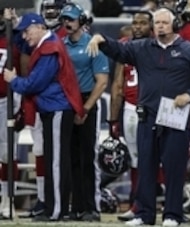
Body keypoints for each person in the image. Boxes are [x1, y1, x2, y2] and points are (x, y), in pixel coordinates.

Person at [86, 7, 190, 226]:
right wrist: (100, 39)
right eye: (157, 22)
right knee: (145, 166)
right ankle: (145, 214)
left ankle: (172, 214)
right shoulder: (142, 47)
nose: (160, 26)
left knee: (174, 167)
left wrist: (189, 95)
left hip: (176, 115)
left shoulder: (189, 50)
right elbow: (118, 50)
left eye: (164, 22)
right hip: (148, 115)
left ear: (174, 25)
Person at [3, 12, 84, 221]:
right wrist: (14, 23)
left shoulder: (49, 49)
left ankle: (56, 210)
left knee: (56, 162)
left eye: (27, 32)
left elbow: (34, 84)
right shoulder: (45, 43)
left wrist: (13, 80)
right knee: (52, 160)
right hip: (52, 108)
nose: (25, 37)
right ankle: (53, 207)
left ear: (39, 27)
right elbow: (23, 46)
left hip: (57, 108)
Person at [60, 2, 109, 222]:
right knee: (70, 157)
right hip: (67, 101)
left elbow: (102, 81)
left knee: (87, 156)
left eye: (70, 19)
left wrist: (86, 107)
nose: (67, 23)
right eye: (65, 20)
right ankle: (76, 206)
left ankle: (92, 206)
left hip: (86, 98)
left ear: (81, 20)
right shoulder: (61, 44)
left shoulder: (92, 44)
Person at [108, 11, 153, 222]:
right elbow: (117, 84)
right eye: (135, 22)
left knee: (159, 158)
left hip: (154, 106)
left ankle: (164, 203)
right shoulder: (125, 46)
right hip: (131, 106)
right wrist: (112, 118)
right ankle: (137, 204)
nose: (137, 26)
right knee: (136, 159)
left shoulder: (159, 45)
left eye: (143, 23)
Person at [0, 8, 21, 219]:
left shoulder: (12, 39)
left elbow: (23, 69)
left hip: (5, 99)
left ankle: (8, 199)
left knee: (8, 154)